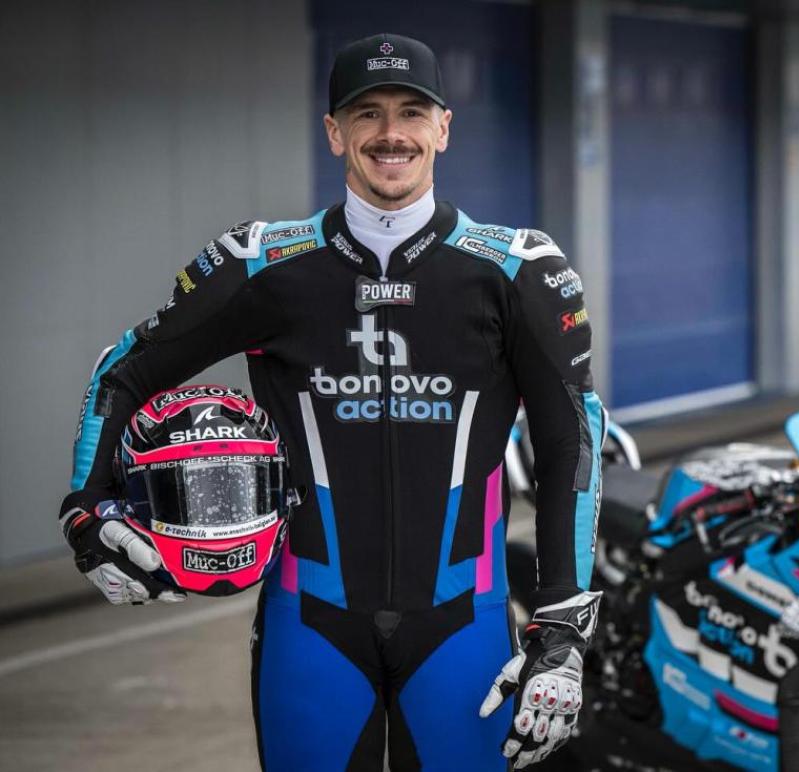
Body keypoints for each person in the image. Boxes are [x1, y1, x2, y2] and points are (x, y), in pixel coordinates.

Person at [60, 32, 605, 771]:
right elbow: (122, 373)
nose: (390, 133)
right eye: (367, 113)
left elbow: (572, 436)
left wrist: (562, 622)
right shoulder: (262, 263)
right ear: (334, 132)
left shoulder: (517, 270)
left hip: (467, 628)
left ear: (443, 128)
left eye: (412, 112)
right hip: (308, 629)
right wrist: (88, 508)